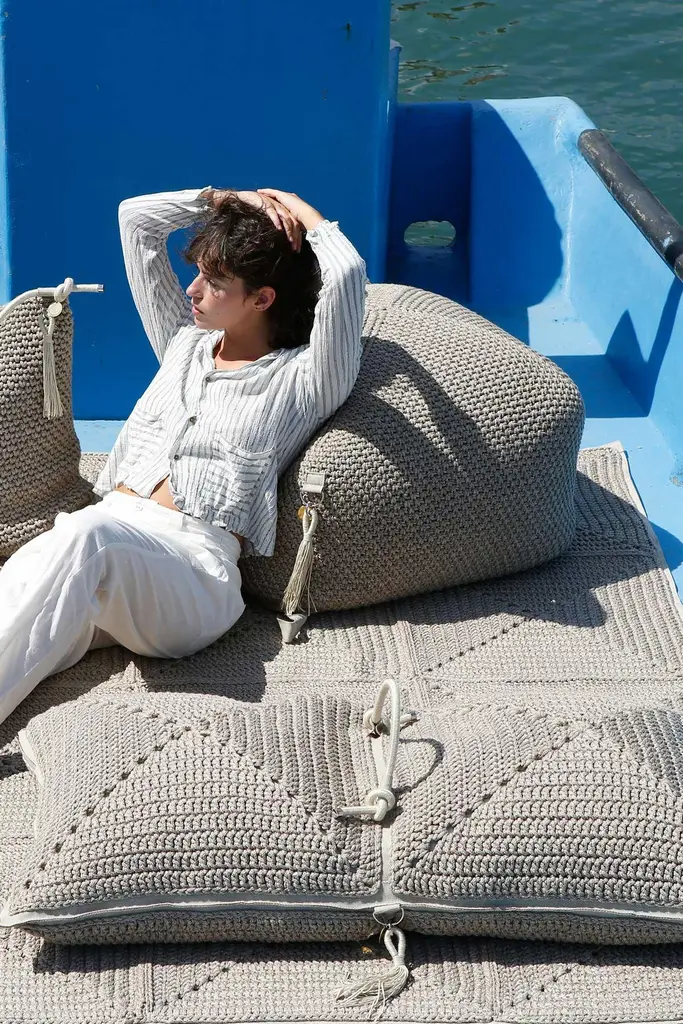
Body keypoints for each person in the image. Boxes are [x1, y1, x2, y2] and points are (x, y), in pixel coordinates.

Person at [0, 185, 367, 725]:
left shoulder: (304, 379)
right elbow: (136, 221)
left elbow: (348, 274)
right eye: (197, 273)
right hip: (110, 550)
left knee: (83, 535)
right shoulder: (183, 343)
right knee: (36, 585)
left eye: (215, 282)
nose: (192, 289)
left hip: (191, 573)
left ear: (262, 298)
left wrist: (300, 211)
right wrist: (230, 199)